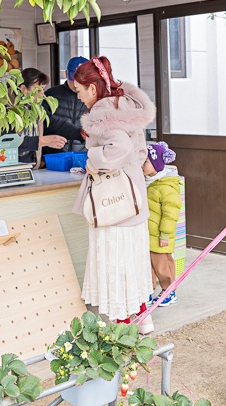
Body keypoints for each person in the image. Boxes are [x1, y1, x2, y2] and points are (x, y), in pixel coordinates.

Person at [70, 56, 155, 332]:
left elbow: (119, 149)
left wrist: (92, 158)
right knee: (133, 262)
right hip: (132, 199)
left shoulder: (102, 110)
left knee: (115, 263)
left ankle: (120, 325)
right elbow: (137, 150)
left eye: (80, 91)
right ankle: (143, 319)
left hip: (113, 203)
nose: (80, 97)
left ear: (92, 88)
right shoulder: (125, 104)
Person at [143, 141, 180, 307]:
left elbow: (170, 214)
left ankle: (169, 291)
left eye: (145, 161)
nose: (141, 164)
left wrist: (165, 234)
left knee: (163, 266)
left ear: (157, 164)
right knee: (147, 266)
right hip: (147, 235)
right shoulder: (148, 182)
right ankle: (148, 292)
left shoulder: (166, 187)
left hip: (160, 237)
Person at [16, 68, 70, 165]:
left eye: (43, 90)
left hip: (31, 166)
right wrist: (42, 141)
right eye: (38, 90)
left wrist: (81, 133)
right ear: (23, 89)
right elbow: (6, 141)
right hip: (11, 167)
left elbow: (57, 123)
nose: (42, 95)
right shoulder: (6, 110)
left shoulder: (36, 108)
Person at [44, 56, 90, 154]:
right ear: (66, 73)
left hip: (83, 156)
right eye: (73, 79)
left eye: (81, 80)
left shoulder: (92, 99)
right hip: (54, 156)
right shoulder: (51, 95)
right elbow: (42, 124)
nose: (76, 84)